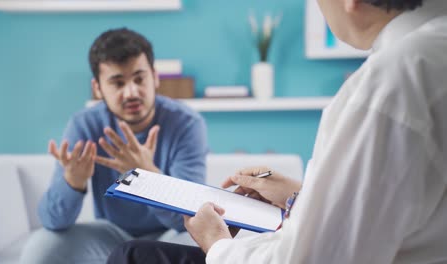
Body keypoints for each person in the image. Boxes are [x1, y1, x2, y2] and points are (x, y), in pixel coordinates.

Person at [107, 0, 447, 263]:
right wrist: (298, 196)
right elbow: (389, 207)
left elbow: (314, 258)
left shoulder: (389, 85)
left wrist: (218, 244)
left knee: (133, 257)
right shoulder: (432, 52)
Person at [19, 28, 208, 264]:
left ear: (155, 77)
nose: (131, 92)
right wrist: (72, 183)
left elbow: (191, 219)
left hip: (170, 236)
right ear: (98, 88)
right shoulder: (85, 125)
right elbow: (52, 221)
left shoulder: (187, 124)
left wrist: (150, 179)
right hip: (111, 235)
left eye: (139, 79)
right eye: (117, 83)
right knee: (42, 247)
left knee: (201, 246)